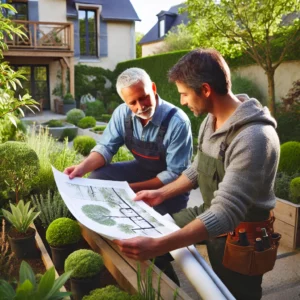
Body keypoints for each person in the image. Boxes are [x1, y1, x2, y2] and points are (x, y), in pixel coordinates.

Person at [114, 49, 280, 300]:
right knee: (153, 233)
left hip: (242, 234)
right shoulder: (210, 120)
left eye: (183, 94)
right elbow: (197, 169)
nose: (181, 101)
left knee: (233, 294)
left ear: (205, 90)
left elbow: (226, 213)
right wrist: (160, 193)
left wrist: (161, 245)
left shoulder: (254, 138)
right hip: (209, 210)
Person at [64, 67, 193, 216]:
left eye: (144, 97)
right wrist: (81, 168)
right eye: (132, 103)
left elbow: (174, 174)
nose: (141, 106)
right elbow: (106, 148)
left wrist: (128, 189)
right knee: (98, 177)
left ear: (153, 87)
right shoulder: (122, 113)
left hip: (171, 188)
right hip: (142, 170)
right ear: (125, 102)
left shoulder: (177, 122)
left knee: (157, 218)